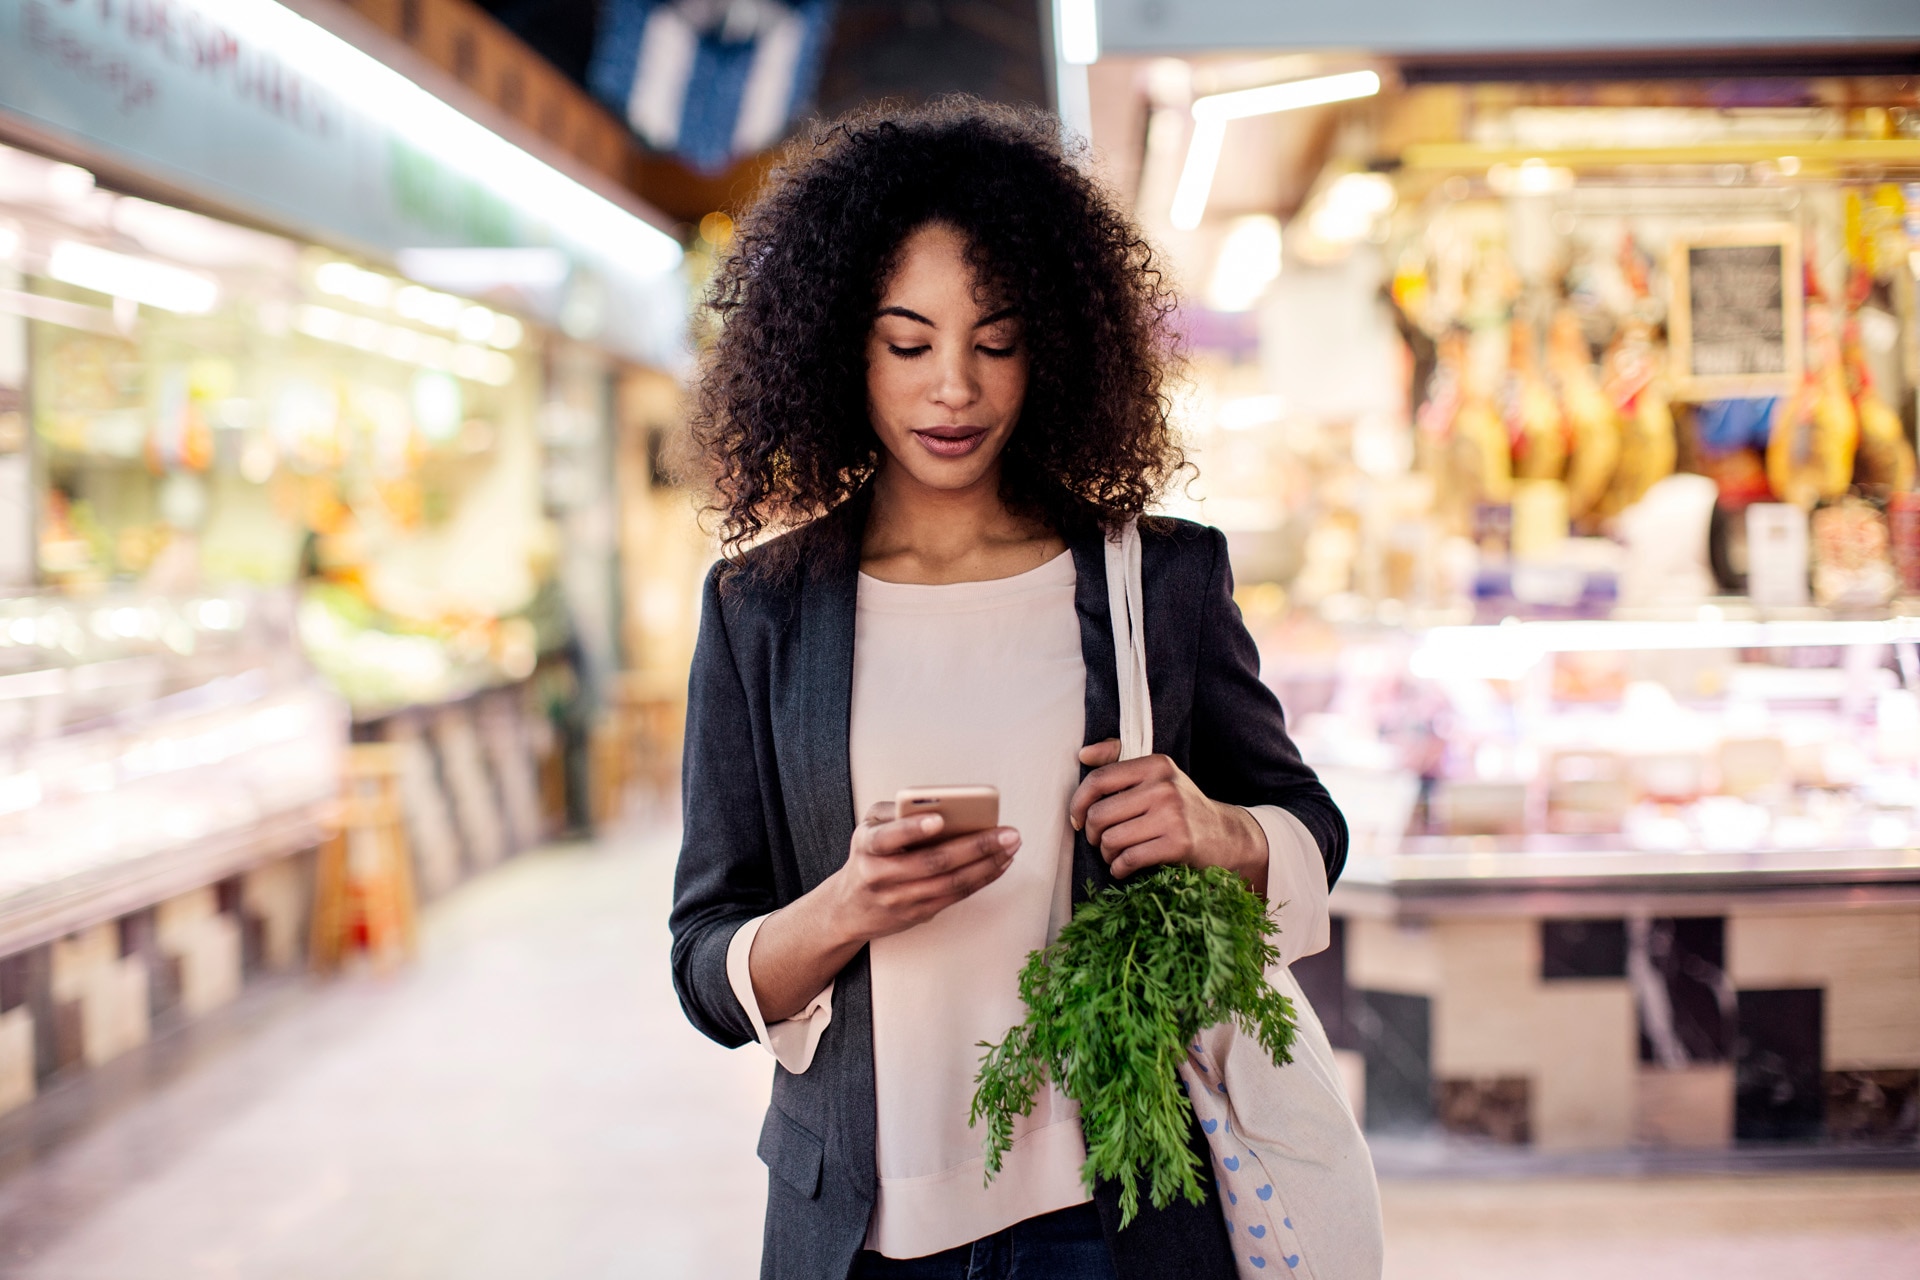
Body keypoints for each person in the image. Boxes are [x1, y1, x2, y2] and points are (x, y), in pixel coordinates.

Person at [670, 99, 1348, 1280]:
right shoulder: (761, 610)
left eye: (996, 340)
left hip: (1116, 1213)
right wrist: (849, 904)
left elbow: (1313, 833)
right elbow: (707, 962)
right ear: (841, 344)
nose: (955, 389)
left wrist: (1220, 828)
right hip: (860, 1232)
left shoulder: (1159, 579)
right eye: (908, 342)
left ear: (1055, 344)